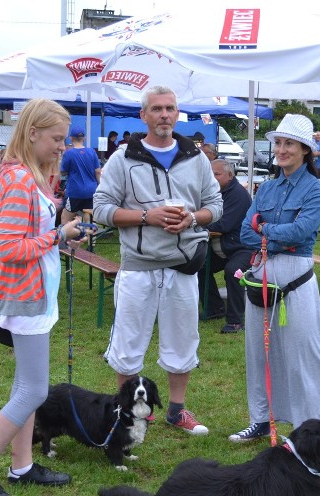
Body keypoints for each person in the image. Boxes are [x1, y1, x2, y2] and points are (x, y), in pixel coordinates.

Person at [0, 99, 89, 496]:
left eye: (63, 140)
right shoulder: (17, 180)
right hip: (25, 295)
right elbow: (9, 248)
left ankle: (22, 465)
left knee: (25, 385)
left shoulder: (25, 176)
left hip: (32, 293)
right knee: (33, 391)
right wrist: (59, 236)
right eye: (56, 138)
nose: (61, 147)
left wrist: (60, 233)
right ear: (32, 132)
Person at [93, 86, 223, 436]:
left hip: (182, 265)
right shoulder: (123, 158)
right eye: (157, 109)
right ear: (144, 115)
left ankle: (177, 410)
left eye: (170, 109)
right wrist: (146, 216)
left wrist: (193, 219)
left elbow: (216, 205)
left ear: (177, 113)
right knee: (129, 340)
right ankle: (126, 410)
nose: (164, 115)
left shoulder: (196, 158)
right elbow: (102, 209)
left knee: (183, 338)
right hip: (138, 264)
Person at [229, 113, 320, 443]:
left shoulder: (316, 190)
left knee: (304, 354)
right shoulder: (267, 188)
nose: (281, 149)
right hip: (262, 276)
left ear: (305, 149)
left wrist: (263, 230)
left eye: (288, 143)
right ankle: (261, 419)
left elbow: (302, 231)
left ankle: (315, 427)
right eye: (278, 142)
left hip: (296, 278)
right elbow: (244, 232)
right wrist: (273, 235)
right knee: (259, 353)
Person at [197, 159, 252, 333]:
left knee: (233, 271)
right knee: (197, 265)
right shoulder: (213, 192)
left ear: (230, 175)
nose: (212, 178)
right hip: (223, 247)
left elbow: (224, 224)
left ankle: (236, 320)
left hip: (243, 248)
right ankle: (215, 309)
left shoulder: (238, 195)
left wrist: (195, 223)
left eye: (217, 174)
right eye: (210, 174)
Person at [59, 126, 101, 225]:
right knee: (89, 215)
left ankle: (67, 238)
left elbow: (63, 172)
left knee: (65, 217)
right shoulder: (92, 152)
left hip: (75, 191)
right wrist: (100, 186)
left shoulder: (68, 154)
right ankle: (91, 239)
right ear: (84, 139)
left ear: (71, 138)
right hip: (91, 190)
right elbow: (98, 172)